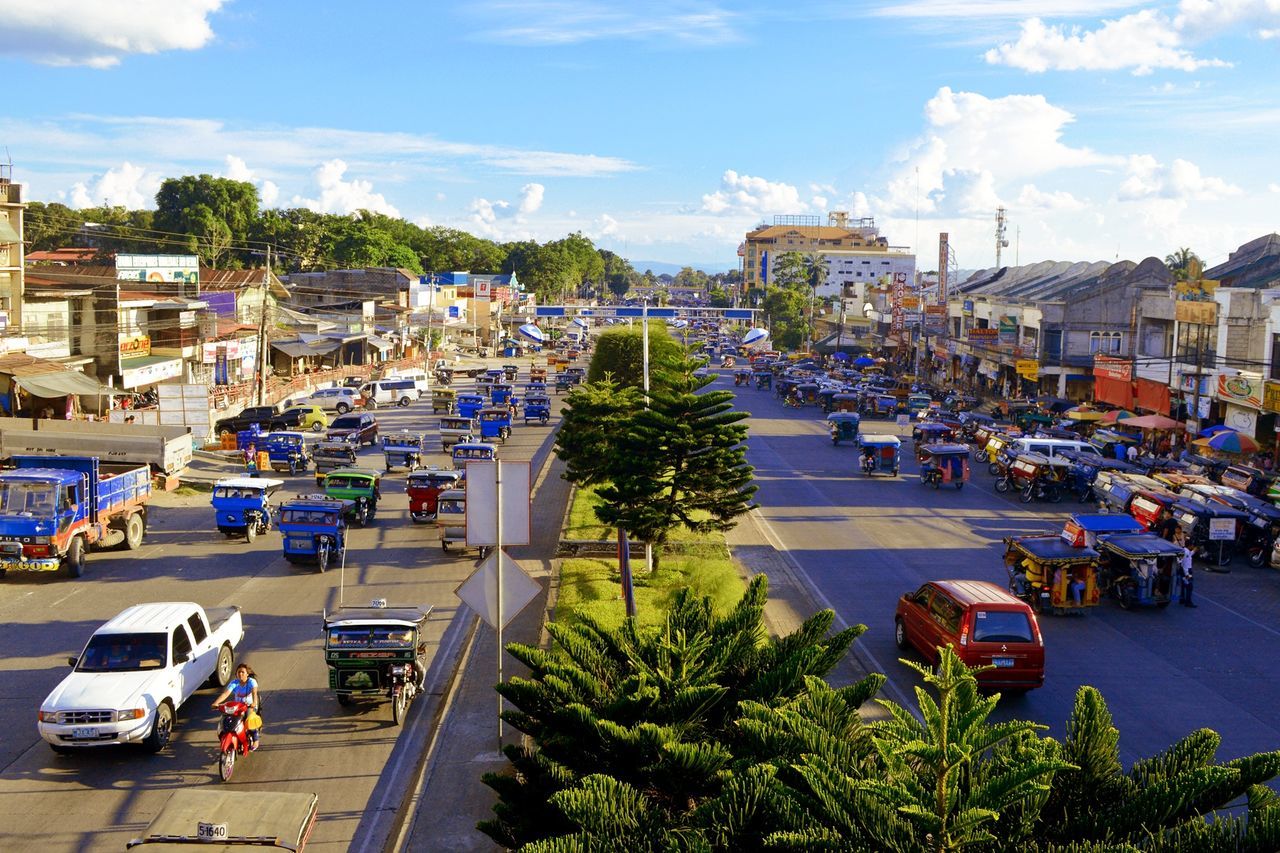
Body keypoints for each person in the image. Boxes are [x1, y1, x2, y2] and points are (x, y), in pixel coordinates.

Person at [213, 663, 262, 749]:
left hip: (249, 706)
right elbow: (225, 694)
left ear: (247, 673)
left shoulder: (251, 682)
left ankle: (256, 739)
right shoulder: (234, 683)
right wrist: (216, 703)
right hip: (237, 707)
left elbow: (254, 693)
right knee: (227, 720)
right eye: (238, 672)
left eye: (243, 672)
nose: (240, 674)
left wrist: (254, 703)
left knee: (249, 720)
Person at [1173, 529, 1196, 608]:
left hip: (1183, 571)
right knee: (1189, 586)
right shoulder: (1186, 552)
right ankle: (1188, 602)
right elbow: (1185, 564)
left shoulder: (1186, 551)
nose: (1193, 547)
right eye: (1192, 545)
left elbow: (1189, 556)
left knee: (1183, 585)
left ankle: (1182, 599)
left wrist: (1194, 551)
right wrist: (1188, 575)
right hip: (1186, 571)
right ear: (1190, 545)